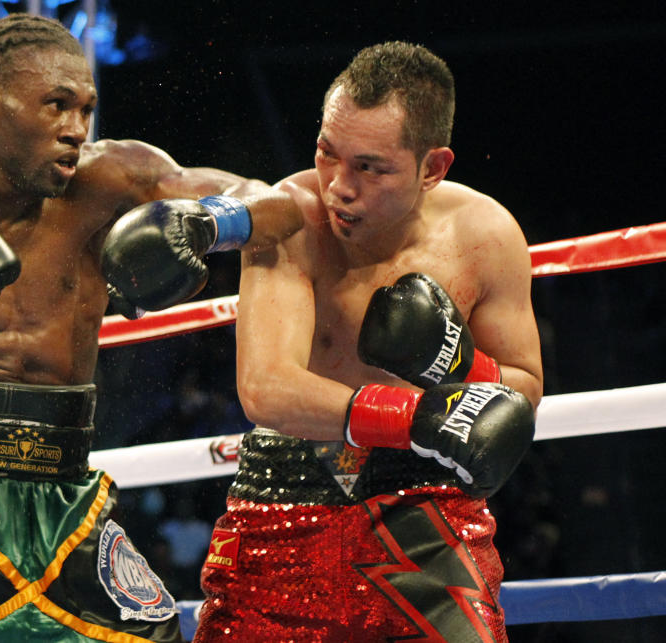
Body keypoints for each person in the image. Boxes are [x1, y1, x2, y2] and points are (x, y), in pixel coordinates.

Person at [0, 13, 300, 643]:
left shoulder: (112, 179)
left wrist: (207, 225)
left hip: (64, 495)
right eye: (56, 106)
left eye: (86, 110)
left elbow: (282, 202)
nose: (76, 131)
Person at [187, 41, 541, 641]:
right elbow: (266, 389)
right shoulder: (289, 217)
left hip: (428, 508)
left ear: (432, 168)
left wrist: (457, 363)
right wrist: (418, 414)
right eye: (328, 154)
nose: (338, 187)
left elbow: (525, 385)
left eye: (370, 167)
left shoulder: (486, 235)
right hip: (285, 500)